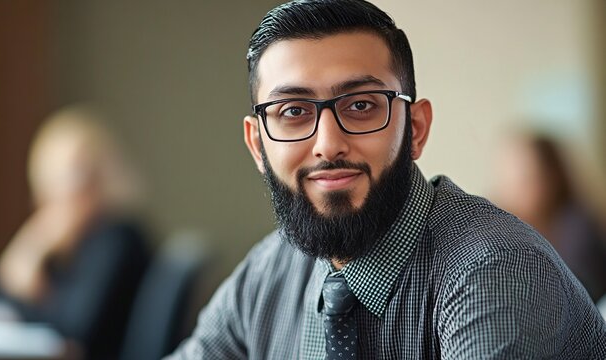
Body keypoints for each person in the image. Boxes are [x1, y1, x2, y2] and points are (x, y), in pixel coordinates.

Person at [166, 1, 606, 358]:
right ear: (257, 145)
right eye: (293, 112)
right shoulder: (270, 270)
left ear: (415, 128)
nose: (327, 144)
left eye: (360, 106)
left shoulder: (495, 270)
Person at [0, 106, 151, 359]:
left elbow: (74, 329)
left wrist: (31, 251)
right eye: (57, 177)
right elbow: (2, 301)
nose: (68, 189)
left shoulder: (118, 239)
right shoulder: (70, 245)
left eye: (77, 175)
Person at [492, 132, 606, 302]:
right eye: (507, 182)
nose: (509, 194)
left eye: (523, 181)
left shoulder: (578, 231)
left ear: (551, 178)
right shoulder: (517, 229)